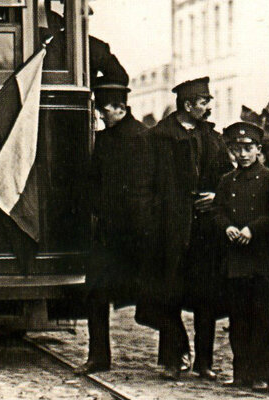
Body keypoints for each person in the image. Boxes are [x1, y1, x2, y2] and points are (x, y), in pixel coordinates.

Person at [140, 77, 231, 381]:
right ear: (188, 105)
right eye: (204, 102)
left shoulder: (212, 138)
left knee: (205, 295)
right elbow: (146, 186)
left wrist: (216, 197)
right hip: (169, 228)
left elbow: (226, 178)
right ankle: (172, 357)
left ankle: (203, 361)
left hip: (205, 229)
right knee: (169, 293)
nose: (208, 107)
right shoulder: (159, 138)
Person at [76, 77, 153, 374]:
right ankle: (98, 356)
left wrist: (141, 229)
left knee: (151, 295)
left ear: (120, 108)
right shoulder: (105, 140)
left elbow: (145, 189)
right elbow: (94, 181)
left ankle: (176, 350)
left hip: (135, 234)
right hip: (107, 233)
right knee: (95, 292)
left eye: (105, 112)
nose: (102, 118)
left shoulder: (142, 137)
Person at [213, 122, 269, 391]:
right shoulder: (227, 181)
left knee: (263, 319)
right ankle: (241, 371)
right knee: (238, 319)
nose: (243, 154)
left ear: (258, 149)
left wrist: (252, 230)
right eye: (238, 149)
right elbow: (217, 210)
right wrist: (227, 226)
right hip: (237, 261)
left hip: (264, 260)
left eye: (248, 148)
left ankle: (262, 374)